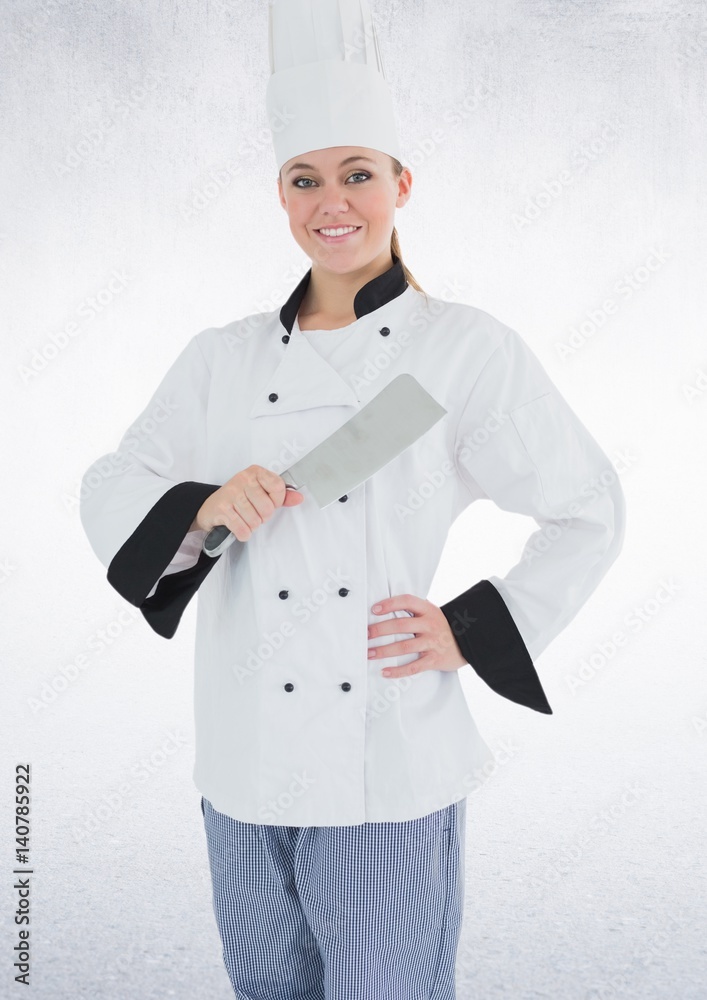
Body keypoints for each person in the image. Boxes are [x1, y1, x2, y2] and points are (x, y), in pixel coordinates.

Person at [79, 1, 626, 997]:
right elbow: (111, 483)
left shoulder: (461, 350)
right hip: (242, 770)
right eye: (305, 179)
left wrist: (472, 626)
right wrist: (202, 505)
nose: (332, 203)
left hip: (387, 769)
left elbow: (587, 506)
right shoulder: (221, 360)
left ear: (401, 184)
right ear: (280, 195)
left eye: (357, 174)